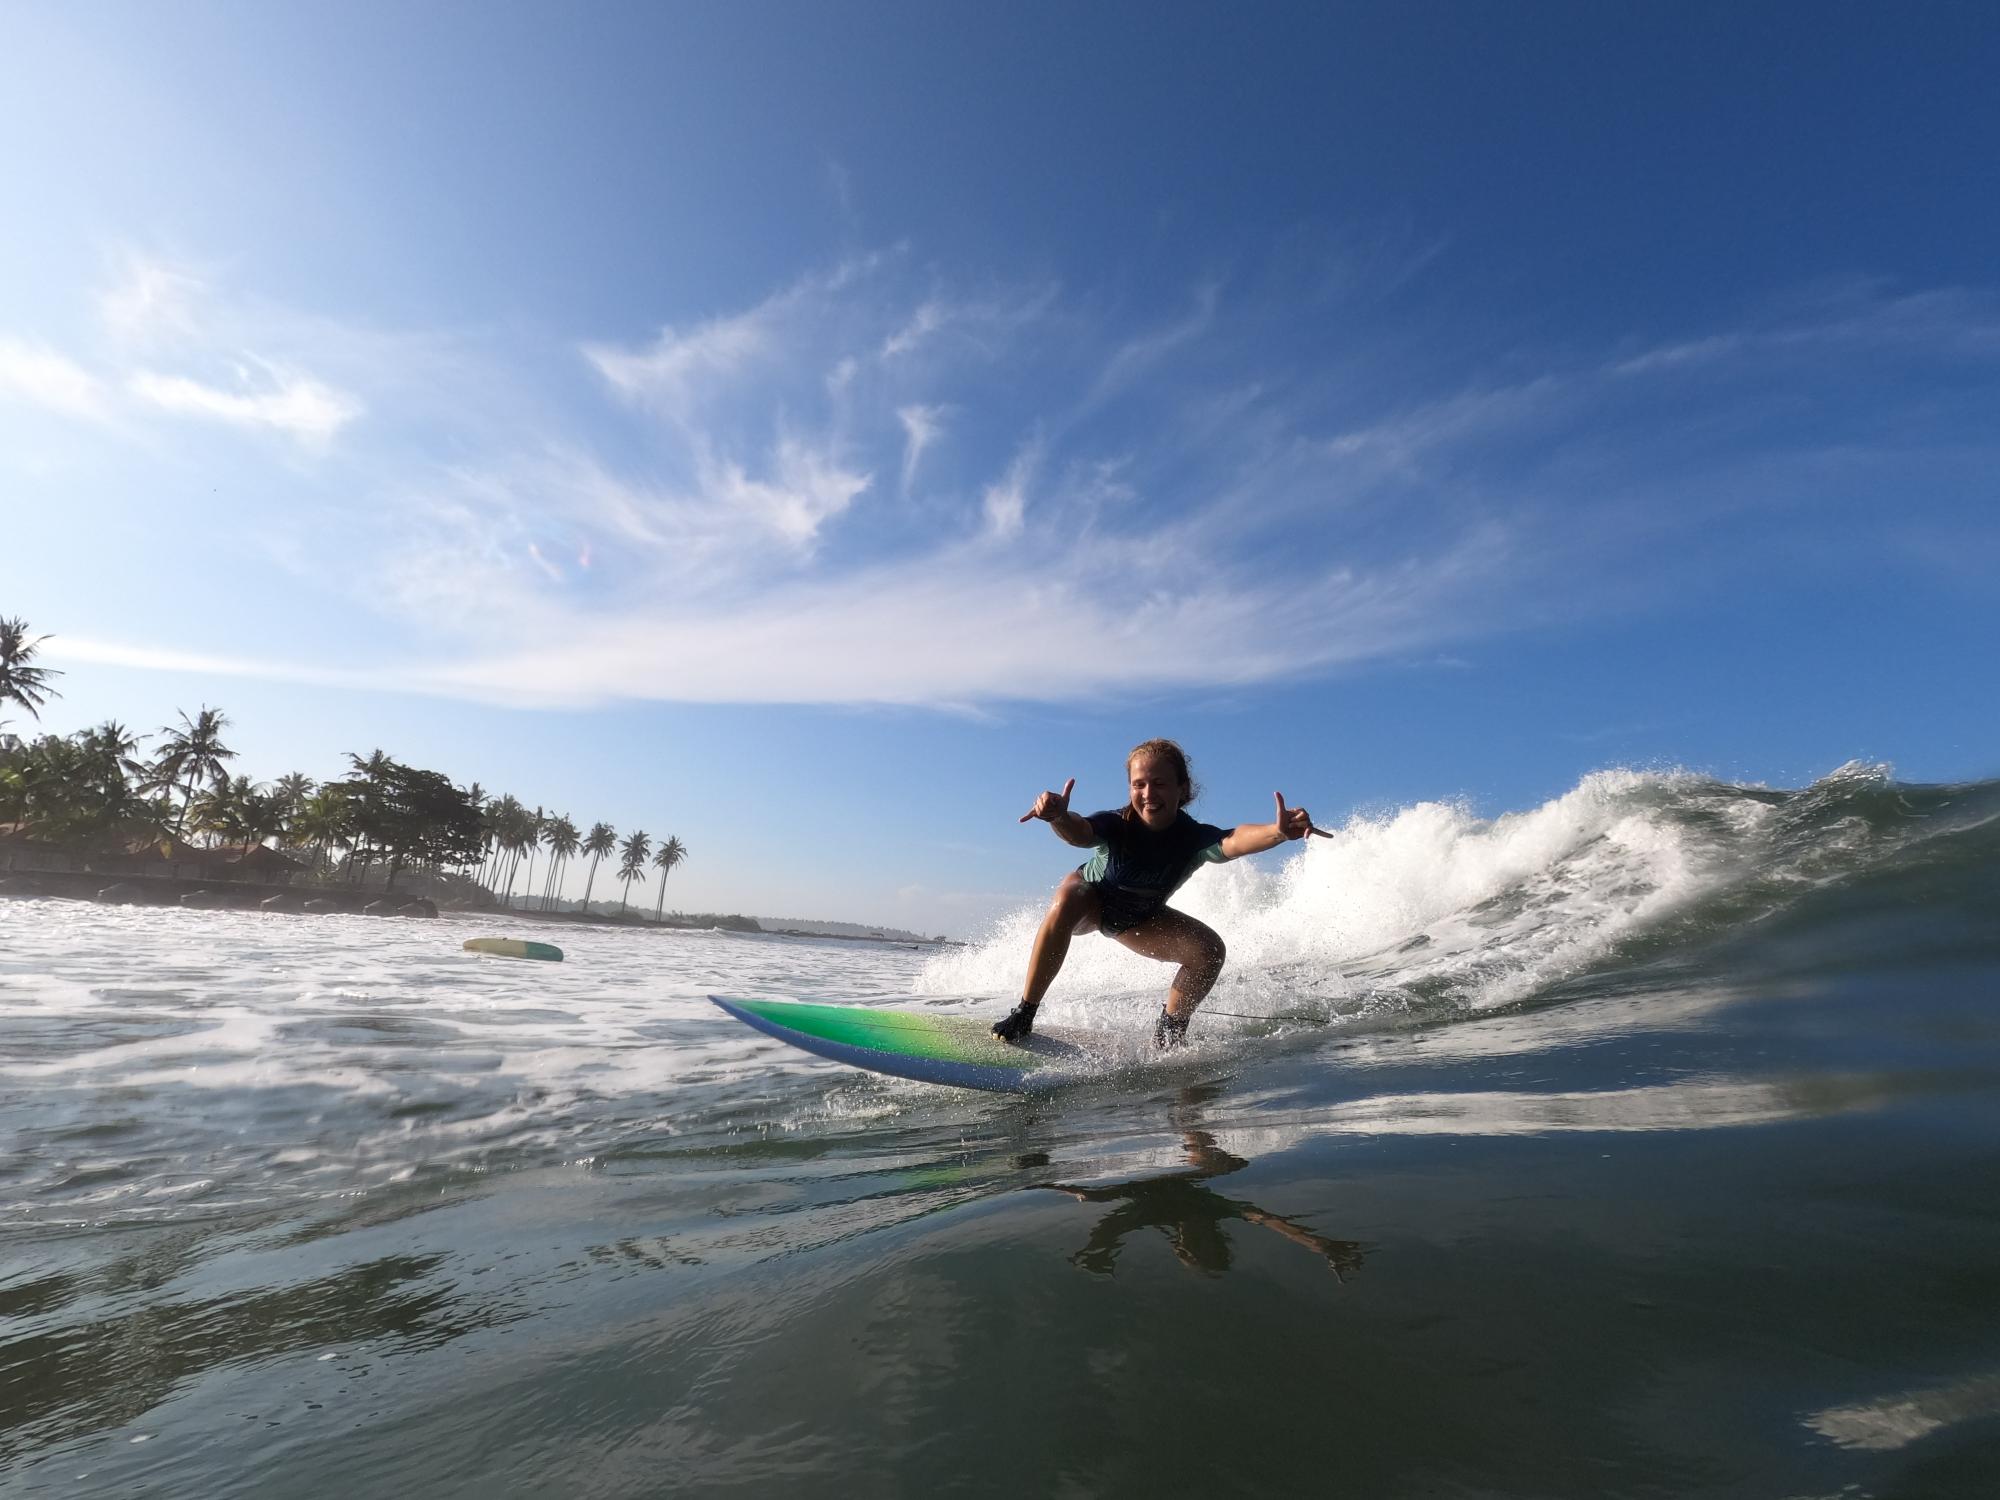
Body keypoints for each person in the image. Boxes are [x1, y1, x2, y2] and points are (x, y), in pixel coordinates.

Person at [991, 737, 1329, 1049]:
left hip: (1138, 921)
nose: (1148, 793)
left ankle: (1170, 1033)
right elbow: (1080, 833)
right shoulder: (1117, 824)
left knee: (1209, 950)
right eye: (1139, 784)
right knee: (1069, 895)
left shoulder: (1193, 838)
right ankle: (1025, 1012)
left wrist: (1277, 832)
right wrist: (1059, 816)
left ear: (1182, 789)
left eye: (1159, 783)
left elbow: (1234, 840)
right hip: (1090, 903)